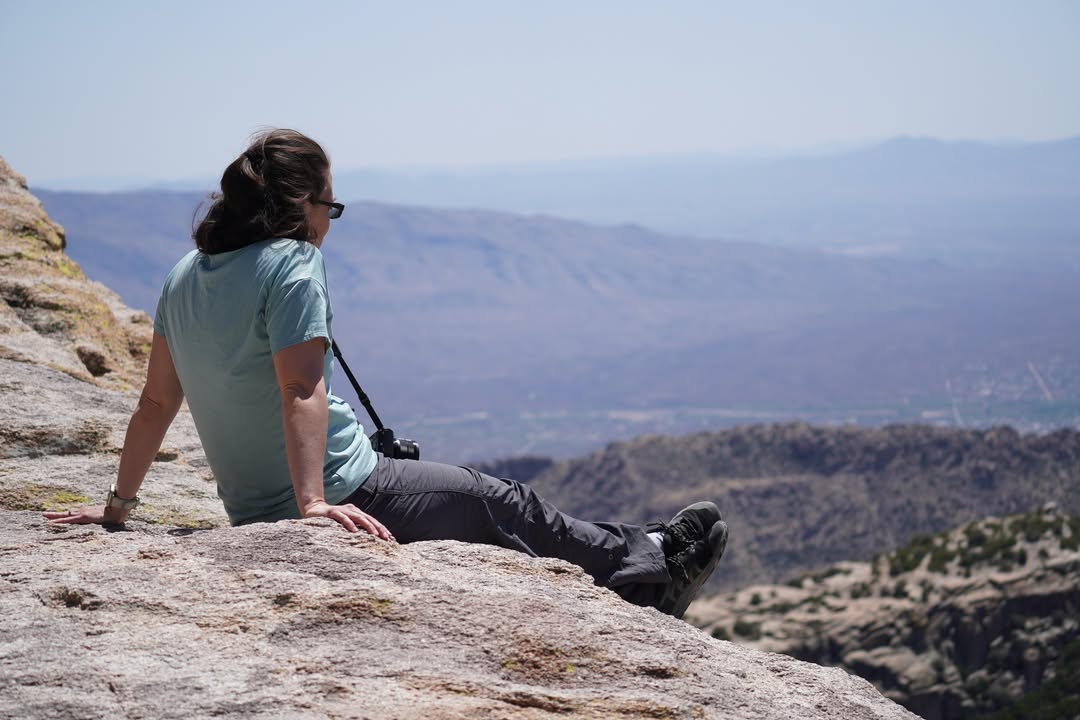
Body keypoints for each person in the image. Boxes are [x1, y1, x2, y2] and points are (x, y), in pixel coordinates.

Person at [43, 129, 728, 618]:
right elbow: (301, 387)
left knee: (477, 501)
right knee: (502, 500)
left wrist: (118, 508)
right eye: (329, 207)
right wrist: (313, 507)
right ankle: (653, 567)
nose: (329, 224)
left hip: (249, 506)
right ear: (300, 205)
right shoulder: (293, 261)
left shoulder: (184, 275)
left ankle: (638, 560)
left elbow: (157, 402)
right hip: (349, 487)